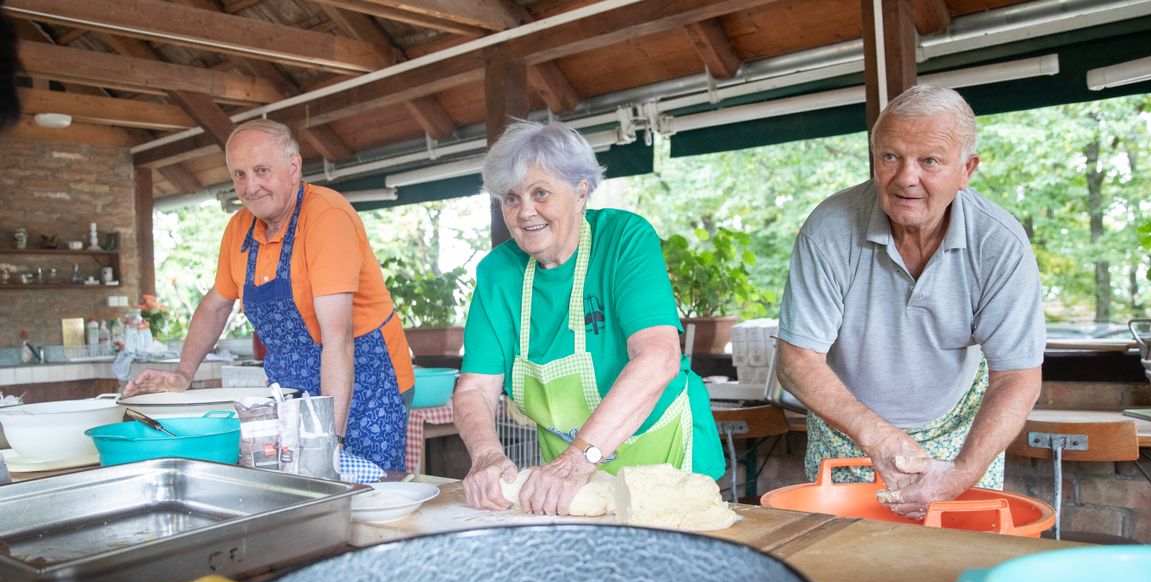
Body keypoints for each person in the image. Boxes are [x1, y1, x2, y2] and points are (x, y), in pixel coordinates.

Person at [775, 84, 1045, 519]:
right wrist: (879, 438)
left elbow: (1017, 376)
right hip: (850, 432)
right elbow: (796, 360)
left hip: (961, 434)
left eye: (930, 161)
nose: (906, 177)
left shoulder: (1000, 243)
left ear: (967, 169)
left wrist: (961, 473)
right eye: (890, 157)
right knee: (844, 564)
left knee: (950, 569)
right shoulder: (828, 229)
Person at [454, 120, 724, 515]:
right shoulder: (498, 273)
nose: (525, 212)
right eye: (511, 198)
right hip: (567, 479)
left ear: (581, 192)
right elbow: (475, 388)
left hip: (664, 460)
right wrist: (486, 456)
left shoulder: (624, 239)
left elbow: (658, 357)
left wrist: (579, 458)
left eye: (540, 193)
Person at [124, 119, 414, 470]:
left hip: (365, 379)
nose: (251, 186)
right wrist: (183, 373)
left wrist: (327, 441)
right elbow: (216, 305)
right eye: (240, 174)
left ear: (294, 168)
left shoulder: (326, 217)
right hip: (290, 388)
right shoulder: (238, 229)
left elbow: (338, 338)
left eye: (262, 170)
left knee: (365, 491)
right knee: (293, 485)